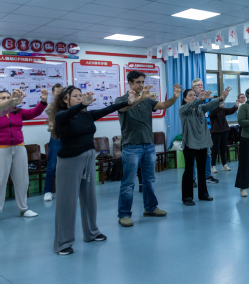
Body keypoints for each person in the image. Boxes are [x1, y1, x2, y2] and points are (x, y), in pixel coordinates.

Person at [50, 87, 145, 255]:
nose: (79, 98)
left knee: (89, 198)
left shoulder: (87, 115)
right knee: (67, 202)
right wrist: (82, 105)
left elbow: (107, 109)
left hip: (88, 159)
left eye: (81, 95)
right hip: (69, 161)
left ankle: (91, 232)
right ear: (65, 100)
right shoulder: (61, 116)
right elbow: (69, 113)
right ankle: (62, 243)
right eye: (75, 96)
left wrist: (127, 102)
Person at [116, 70, 183, 227]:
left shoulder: (147, 99)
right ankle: (124, 214)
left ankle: (150, 208)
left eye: (142, 82)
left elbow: (163, 105)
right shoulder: (121, 99)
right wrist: (140, 98)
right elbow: (123, 108)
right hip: (131, 146)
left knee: (149, 179)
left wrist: (175, 96)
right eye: (137, 82)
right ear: (130, 83)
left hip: (148, 145)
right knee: (128, 183)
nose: (141, 85)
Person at [180, 87, 230, 205]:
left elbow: (211, 105)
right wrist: (201, 99)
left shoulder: (200, 109)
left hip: (202, 143)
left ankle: (203, 194)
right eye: (190, 95)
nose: (193, 97)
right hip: (190, 143)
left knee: (202, 170)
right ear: (185, 99)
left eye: (194, 95)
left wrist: (221, 98)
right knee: (188, 171)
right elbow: (195, 103)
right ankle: (187, 197)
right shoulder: (183, 109)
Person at [0, 89, 46, 218]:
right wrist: (10, 102)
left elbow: (34, 112)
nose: (7, 99)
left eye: (8, 97)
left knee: (22, 180)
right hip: (2, 149)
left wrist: (43, 101)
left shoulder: (17, 111)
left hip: (19, 147)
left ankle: (23, 209)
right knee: (1, 180)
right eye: (3, 98)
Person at [190, 79, 219, 184]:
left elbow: (212, 109)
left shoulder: (206, 99)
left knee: (207, 155)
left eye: (201, 85)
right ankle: (192, 179)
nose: (200, 86)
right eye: (198, 85)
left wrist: (216, 100)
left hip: (205, 130)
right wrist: (200, 98)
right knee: (192, 156)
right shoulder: (191, 98)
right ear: (193, 88)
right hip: (194, 132)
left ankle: (207, 176)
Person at [209, 94, 242, 173]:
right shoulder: (211, 110)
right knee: (215, 149)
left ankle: (224, 165)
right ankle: (213, 166)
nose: (219, 102)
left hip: (224, 131)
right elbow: (214, 112)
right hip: (216, 132)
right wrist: (219, 107)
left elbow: (230, 110)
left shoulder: (222, 109)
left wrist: (236, 105)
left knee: (223, 149)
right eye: (217, 101)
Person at [44, 83, 63, 201]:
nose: (60, 94)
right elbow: (49, 111)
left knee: (69, 166)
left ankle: (69, 190)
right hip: (56, 139)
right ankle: (48, 191)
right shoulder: (51, 106)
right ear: (53, 93)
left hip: (68, 139)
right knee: (52, 166)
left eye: (62, 92)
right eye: (57, 92)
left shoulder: (68, 105)